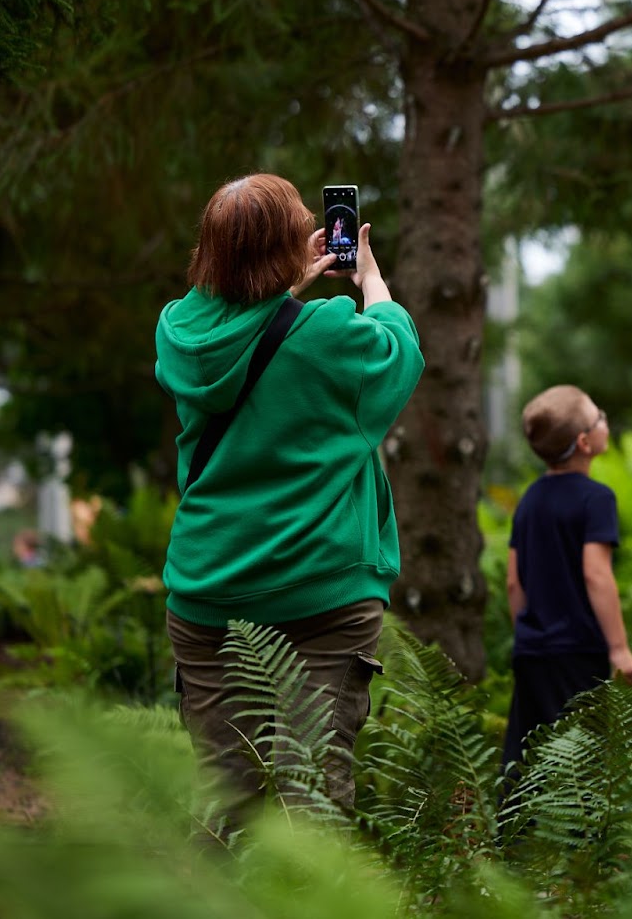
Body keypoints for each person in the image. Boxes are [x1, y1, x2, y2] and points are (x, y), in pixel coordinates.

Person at [154, 173, 423, 828]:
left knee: (226, 795)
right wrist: (370, 281)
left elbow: (240, 331)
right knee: (313, 797)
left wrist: (279, 286)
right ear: (289, 245)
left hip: (209, 591)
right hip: (322, 596)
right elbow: (399, 352)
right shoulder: (332, 336)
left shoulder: (178, 331)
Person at [502, 385, 632, 778]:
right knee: (586, 762)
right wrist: (619, 648)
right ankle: (584, 840)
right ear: (585, 442)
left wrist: (528, 634)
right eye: (599, 416)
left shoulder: (528, 500)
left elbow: (514, 582)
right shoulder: (596, 499)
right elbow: (596, 573)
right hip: (579, 649)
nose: (605, 421)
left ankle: (512, 836)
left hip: (533, 650)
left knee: (525, 752)